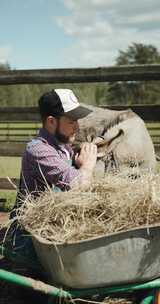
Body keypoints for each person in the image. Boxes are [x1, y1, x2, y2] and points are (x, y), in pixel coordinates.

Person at [8, 89, 97, 265]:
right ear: (51, 122)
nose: (77, 127)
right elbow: (80, 185)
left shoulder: (63, 148)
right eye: (71, 121)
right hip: (31, 237)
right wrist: (87, 166)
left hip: (52, 231)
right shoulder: (38, 150)